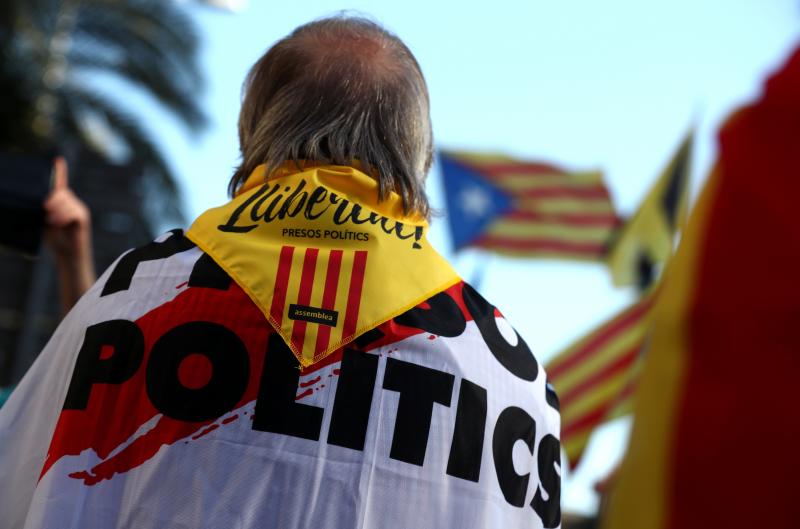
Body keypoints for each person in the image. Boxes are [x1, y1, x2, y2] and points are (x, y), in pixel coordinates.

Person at [0, 16, 561, 529]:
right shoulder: (516, 381)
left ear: (254, 133)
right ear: (420, 156)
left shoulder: (134, 290)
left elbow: (26, 479)